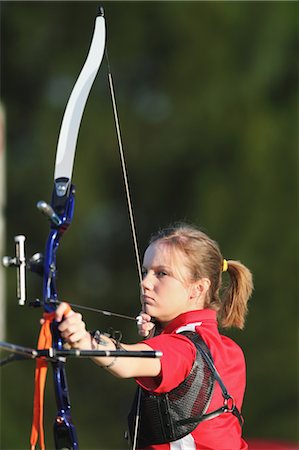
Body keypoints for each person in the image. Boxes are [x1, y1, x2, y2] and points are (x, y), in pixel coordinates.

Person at [55, 223, 253, 450]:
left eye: (162, 274)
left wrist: (85, 340)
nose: (145, 283)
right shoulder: (229, 349)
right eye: (145, 272)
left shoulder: (182, 347)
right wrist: (158, 334)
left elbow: (127, 362)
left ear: (198, 289)